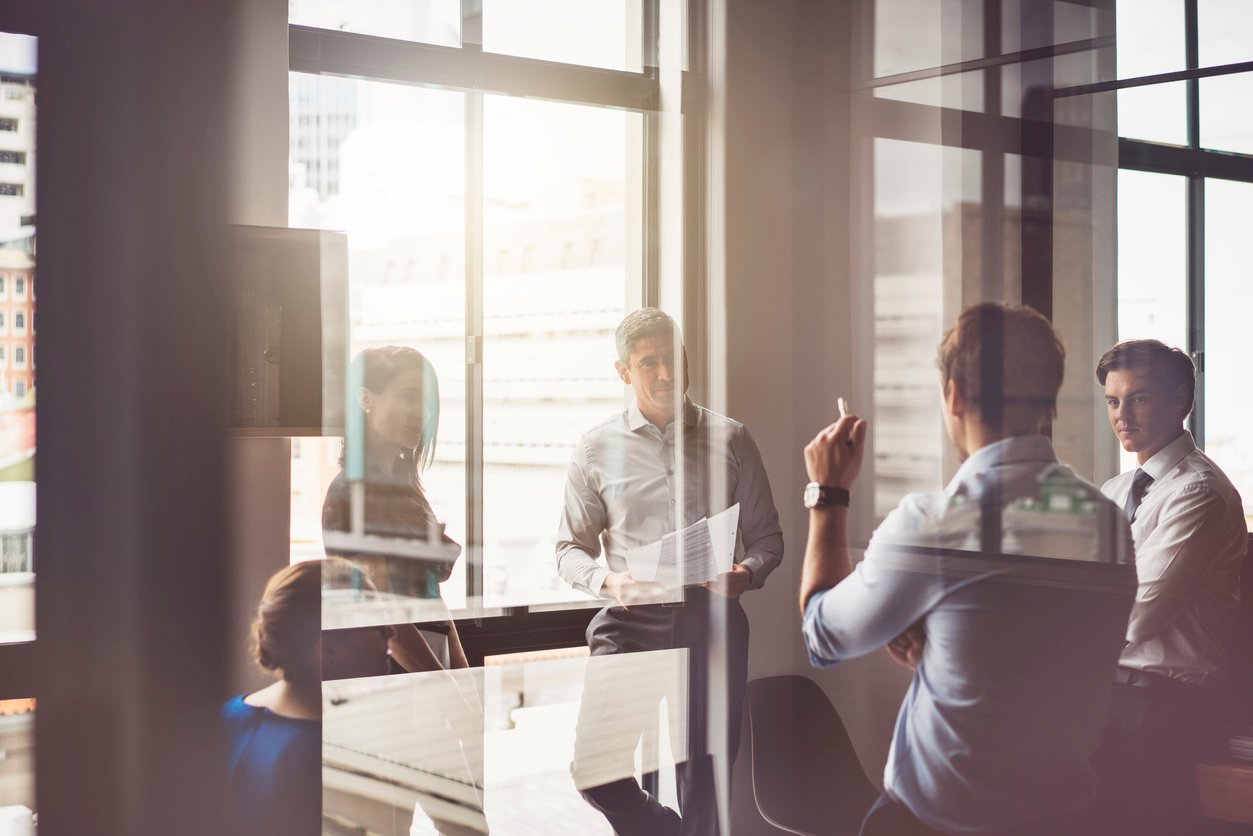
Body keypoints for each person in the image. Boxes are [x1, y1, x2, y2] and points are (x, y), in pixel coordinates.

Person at [800, 303, 1137, 836]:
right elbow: (1039, 654)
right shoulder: (1110, 525)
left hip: (935, 824)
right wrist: (951, 647)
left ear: (953, 394)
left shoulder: (936, 524)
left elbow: (822, 633)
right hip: (1066, 820)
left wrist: (829, 493)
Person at [556, 307, 783, 835]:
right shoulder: (594, 449)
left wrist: (745, 573)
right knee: (596, 771)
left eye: (672, 359)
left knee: (706, 785)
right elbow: (569, 548)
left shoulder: (732, 439)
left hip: (713, 621)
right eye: (648, 363)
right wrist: (609, 581)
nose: (664, 375)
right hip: (630, 619)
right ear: (623, 372)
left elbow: (768, 538)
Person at [1091, 339, 1247, 832]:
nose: (1122, 415)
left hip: (1162, 703)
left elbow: (1138, 615)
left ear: (1180, 400)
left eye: (1138, 398)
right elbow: (1071, 591)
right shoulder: (1114, 491)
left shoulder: (1198, 492)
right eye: (1113, 401)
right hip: (1106, 692)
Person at [322, 345, 468, 672]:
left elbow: (433, 601)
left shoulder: (404, 490)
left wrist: (463, 673)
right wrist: (444, 684)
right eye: (407, 396)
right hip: (393, 668)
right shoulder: (354, 492)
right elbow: (385, 615)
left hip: (427, 658)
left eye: (425, 400)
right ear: (365, 399)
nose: (423, 413)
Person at [223, 558, 393, 836]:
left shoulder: (229, 715)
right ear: (326, 650)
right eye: (379, 627)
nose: (392, 634)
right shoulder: (332, 758)